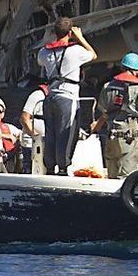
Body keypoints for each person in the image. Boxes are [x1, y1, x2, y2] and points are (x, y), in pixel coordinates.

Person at [38, 17, 97, 175]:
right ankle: (63, 168)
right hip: (68, 96)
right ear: (70, 33)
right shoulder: (75, 50)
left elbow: (40, 62)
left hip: (50, 96)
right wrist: (80, 38)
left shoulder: (45, 52)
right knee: (67, 133)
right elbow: (93, 55)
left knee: (50, 133)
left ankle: (49, 168)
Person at [89, 53, 138, 179]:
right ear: (136, 70)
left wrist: (95, 128)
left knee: (112, 174)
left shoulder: (107, 86)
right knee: (127, 177)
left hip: (110, 136)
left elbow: (104, 113)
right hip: (129, 138)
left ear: (122, 67)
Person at [20, 82, 48, 174]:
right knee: (31, 169)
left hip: (48, 143)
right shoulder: (37, 95)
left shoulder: (56, 97)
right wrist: (36, 137)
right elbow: (24, 118)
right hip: (31, 143)